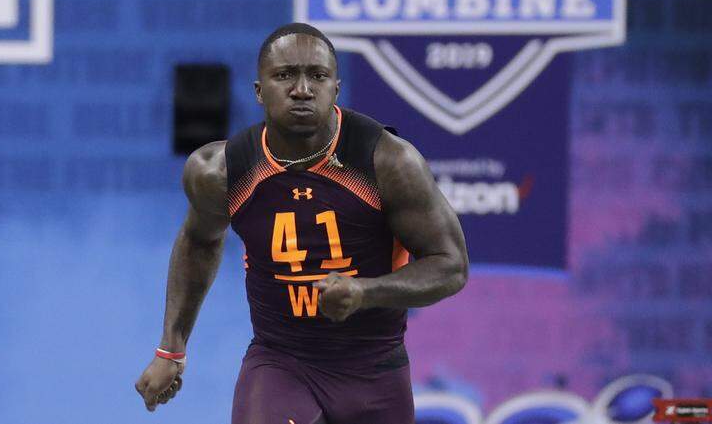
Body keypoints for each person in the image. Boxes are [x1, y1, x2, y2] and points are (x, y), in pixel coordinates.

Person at [135, 23, 468, 423]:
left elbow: (450, 265)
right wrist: (171, 348)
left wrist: (365, 292)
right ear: (259, 91)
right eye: (285, 75)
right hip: (281, 363)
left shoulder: (387, 161)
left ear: (336, 89)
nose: (302, 89)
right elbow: (199, 241)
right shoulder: (220, 171)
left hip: (374, 369)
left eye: (317, 76)